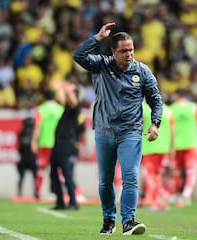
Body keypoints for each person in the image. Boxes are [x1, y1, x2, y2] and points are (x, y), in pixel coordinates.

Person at [73, 22, 163, 236]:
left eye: (131, 49)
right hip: (104, 131)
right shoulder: (101, 65)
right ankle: (108, 220)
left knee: (130, 176)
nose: (129, 54)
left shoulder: (142, 71)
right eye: (124, 51)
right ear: (114, 51)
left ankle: (129, 221)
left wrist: (155, 123)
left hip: (130, 132)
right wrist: (97, 38)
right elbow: (78, 56)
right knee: (105, 181)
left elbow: (156, 100)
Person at [169, 88, 197, 208]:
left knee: (177, 171)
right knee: (191, 170)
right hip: (190, 143)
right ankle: (186, 193)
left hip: (176, 144)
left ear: (178, 95)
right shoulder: (194, 107)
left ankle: (176, 193)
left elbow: (169, 127)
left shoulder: (171, 109)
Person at [50, 74, 81, 210]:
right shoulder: (68, 107)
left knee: (66, 172)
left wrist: (65, 87)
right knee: (54, 173)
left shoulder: (75, 107)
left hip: (65, 143)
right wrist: (62, 88)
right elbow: (62, 99)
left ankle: (73, 201)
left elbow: (72, 101)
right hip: (58, 143)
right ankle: (60, 201)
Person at [141, 101, 175, 211]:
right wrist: (172, 148)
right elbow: (173, 130)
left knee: (150, 175)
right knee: (156, 175)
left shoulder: (143, 108)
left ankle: (157, 198)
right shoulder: (168, 110)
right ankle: (160, 199)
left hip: (149, 147)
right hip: (163, 147)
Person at [16, 116, 37, 197]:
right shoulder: (31, 134)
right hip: (28, 158)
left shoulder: (23, 134)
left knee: (23, 177)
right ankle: (35, 192)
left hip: (26, 158)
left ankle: (34, 192)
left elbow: (18, 148)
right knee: (25, 177)